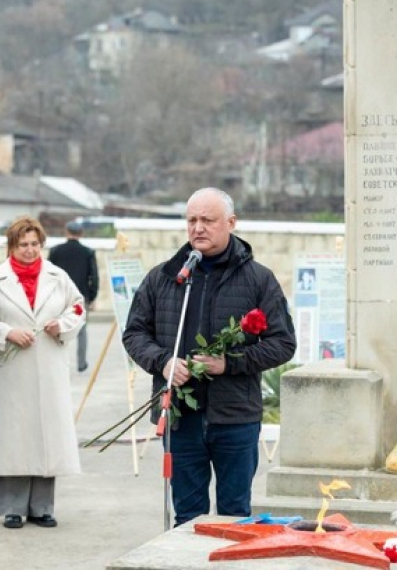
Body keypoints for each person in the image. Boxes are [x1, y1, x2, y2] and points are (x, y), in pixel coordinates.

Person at [123, 187, 296, 527]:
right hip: (180, 415)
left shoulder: (259, 279)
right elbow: (134, 333)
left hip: (235, 417)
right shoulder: (165, 277)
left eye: (208, 220)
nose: (198, 228)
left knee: (234, 516)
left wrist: (229, 363)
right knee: (188, 518)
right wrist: (164, 362)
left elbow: (282, 342)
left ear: (231, 223)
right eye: (191, 220)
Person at [0, 217, 84, 529]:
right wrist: (7, 332)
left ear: (42, 245)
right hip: (12, 366)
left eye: (34, 244)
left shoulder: (58, 277)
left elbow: (77, 307)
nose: (29, 250)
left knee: (45, 434)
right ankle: (12, 507)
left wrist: (61, 325)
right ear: (12, 246)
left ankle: (42, 506)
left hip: (48, 362)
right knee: (14, 435)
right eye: (22, 245)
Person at [48, 220, 99, 372]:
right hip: (80, 296)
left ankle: (58, 363)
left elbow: (48, 274)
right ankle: (81, 363)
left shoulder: (55, 251)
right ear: (81, 232)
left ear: (66, 231)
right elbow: (94, 277)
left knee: (56, 328)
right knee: (81, 330)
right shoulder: (88, 252)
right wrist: (91, 296)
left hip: (58, 295)